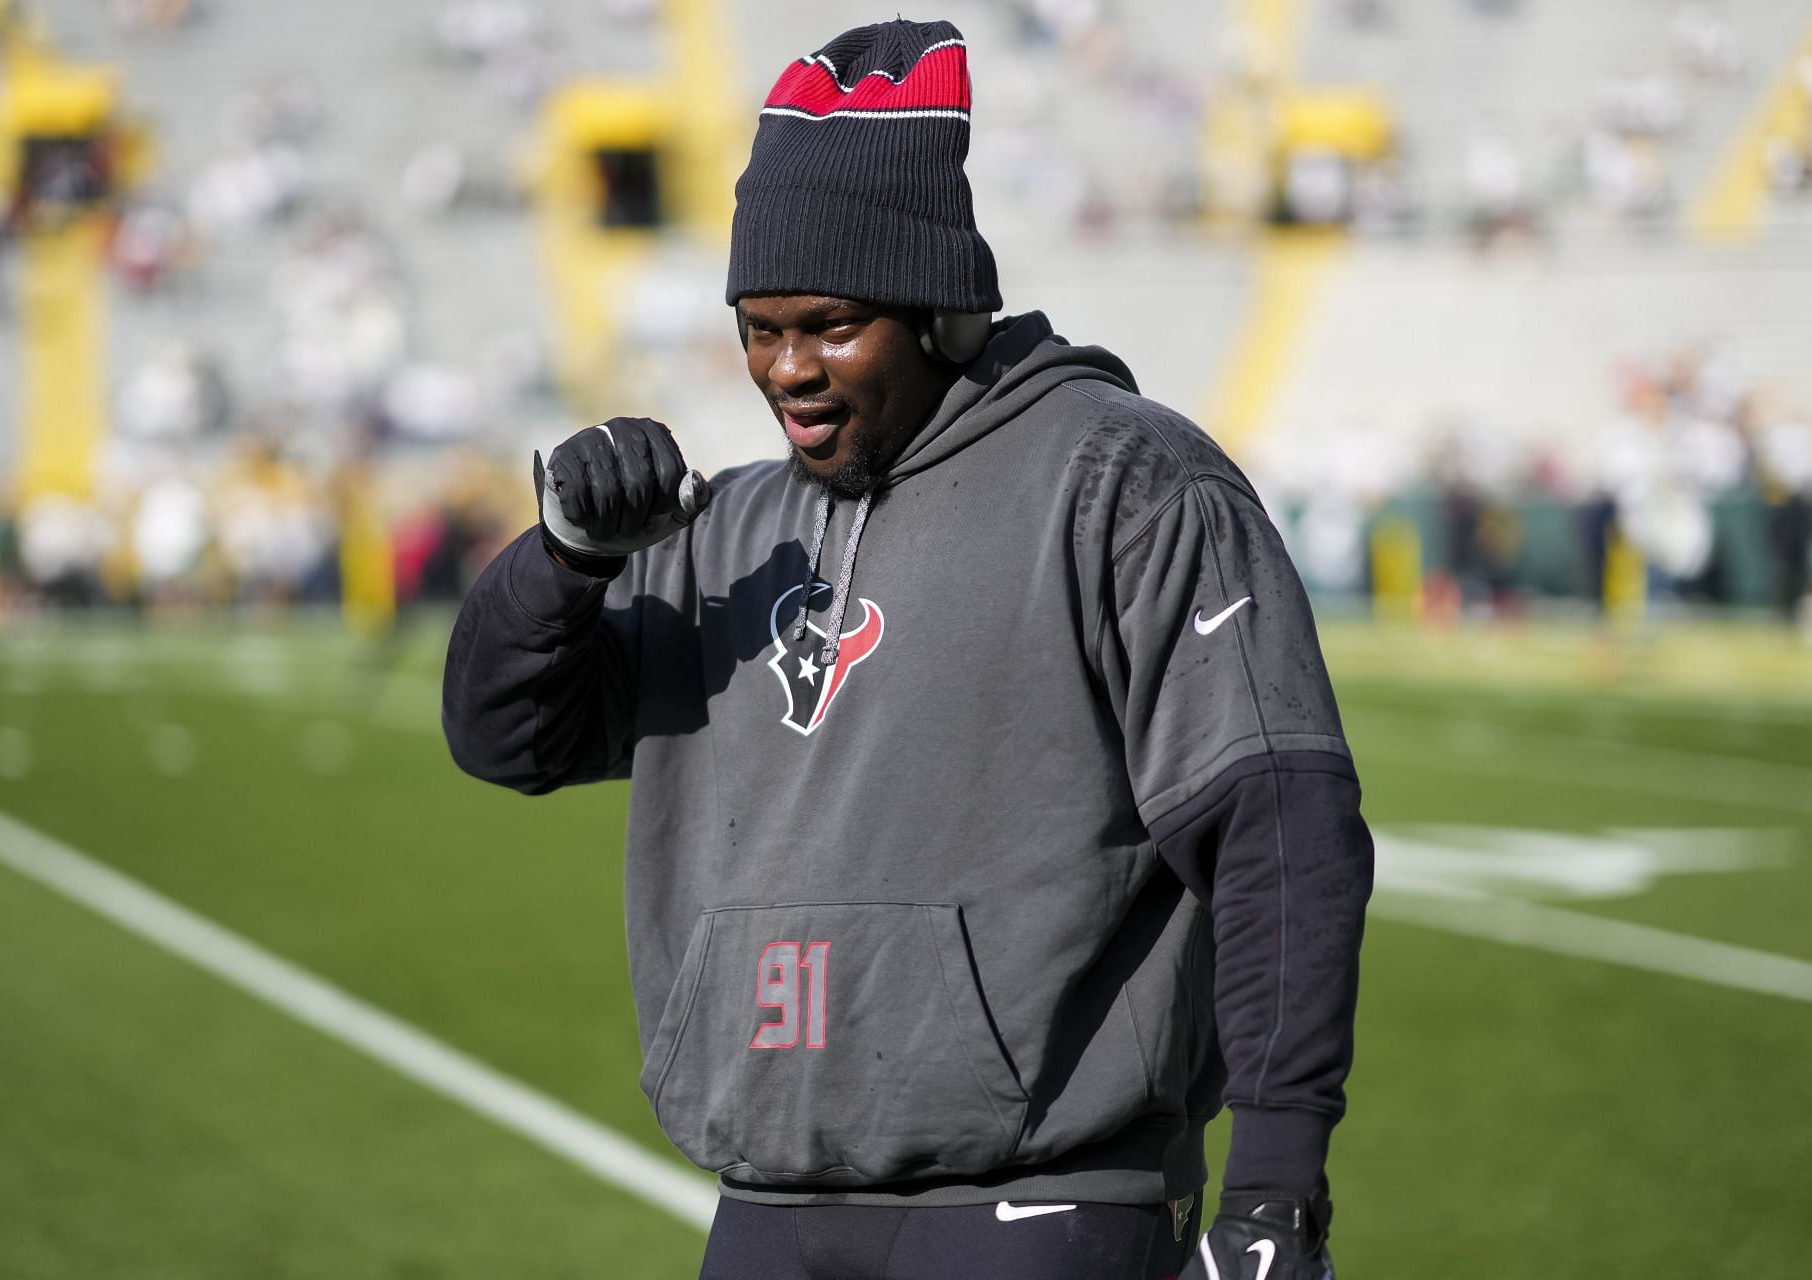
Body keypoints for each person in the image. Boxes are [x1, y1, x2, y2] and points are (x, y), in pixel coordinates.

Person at [443, 19, 1371, 1280]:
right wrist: (561, 560)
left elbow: (1280, 826)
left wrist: (1274, 1193)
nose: (788, 370)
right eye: (758, 327)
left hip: (1043, 1206)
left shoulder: (1121, 480)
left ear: (941, 310)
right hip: (768, 1200)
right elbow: (505, 737)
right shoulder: (731, 530)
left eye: (829, 324)